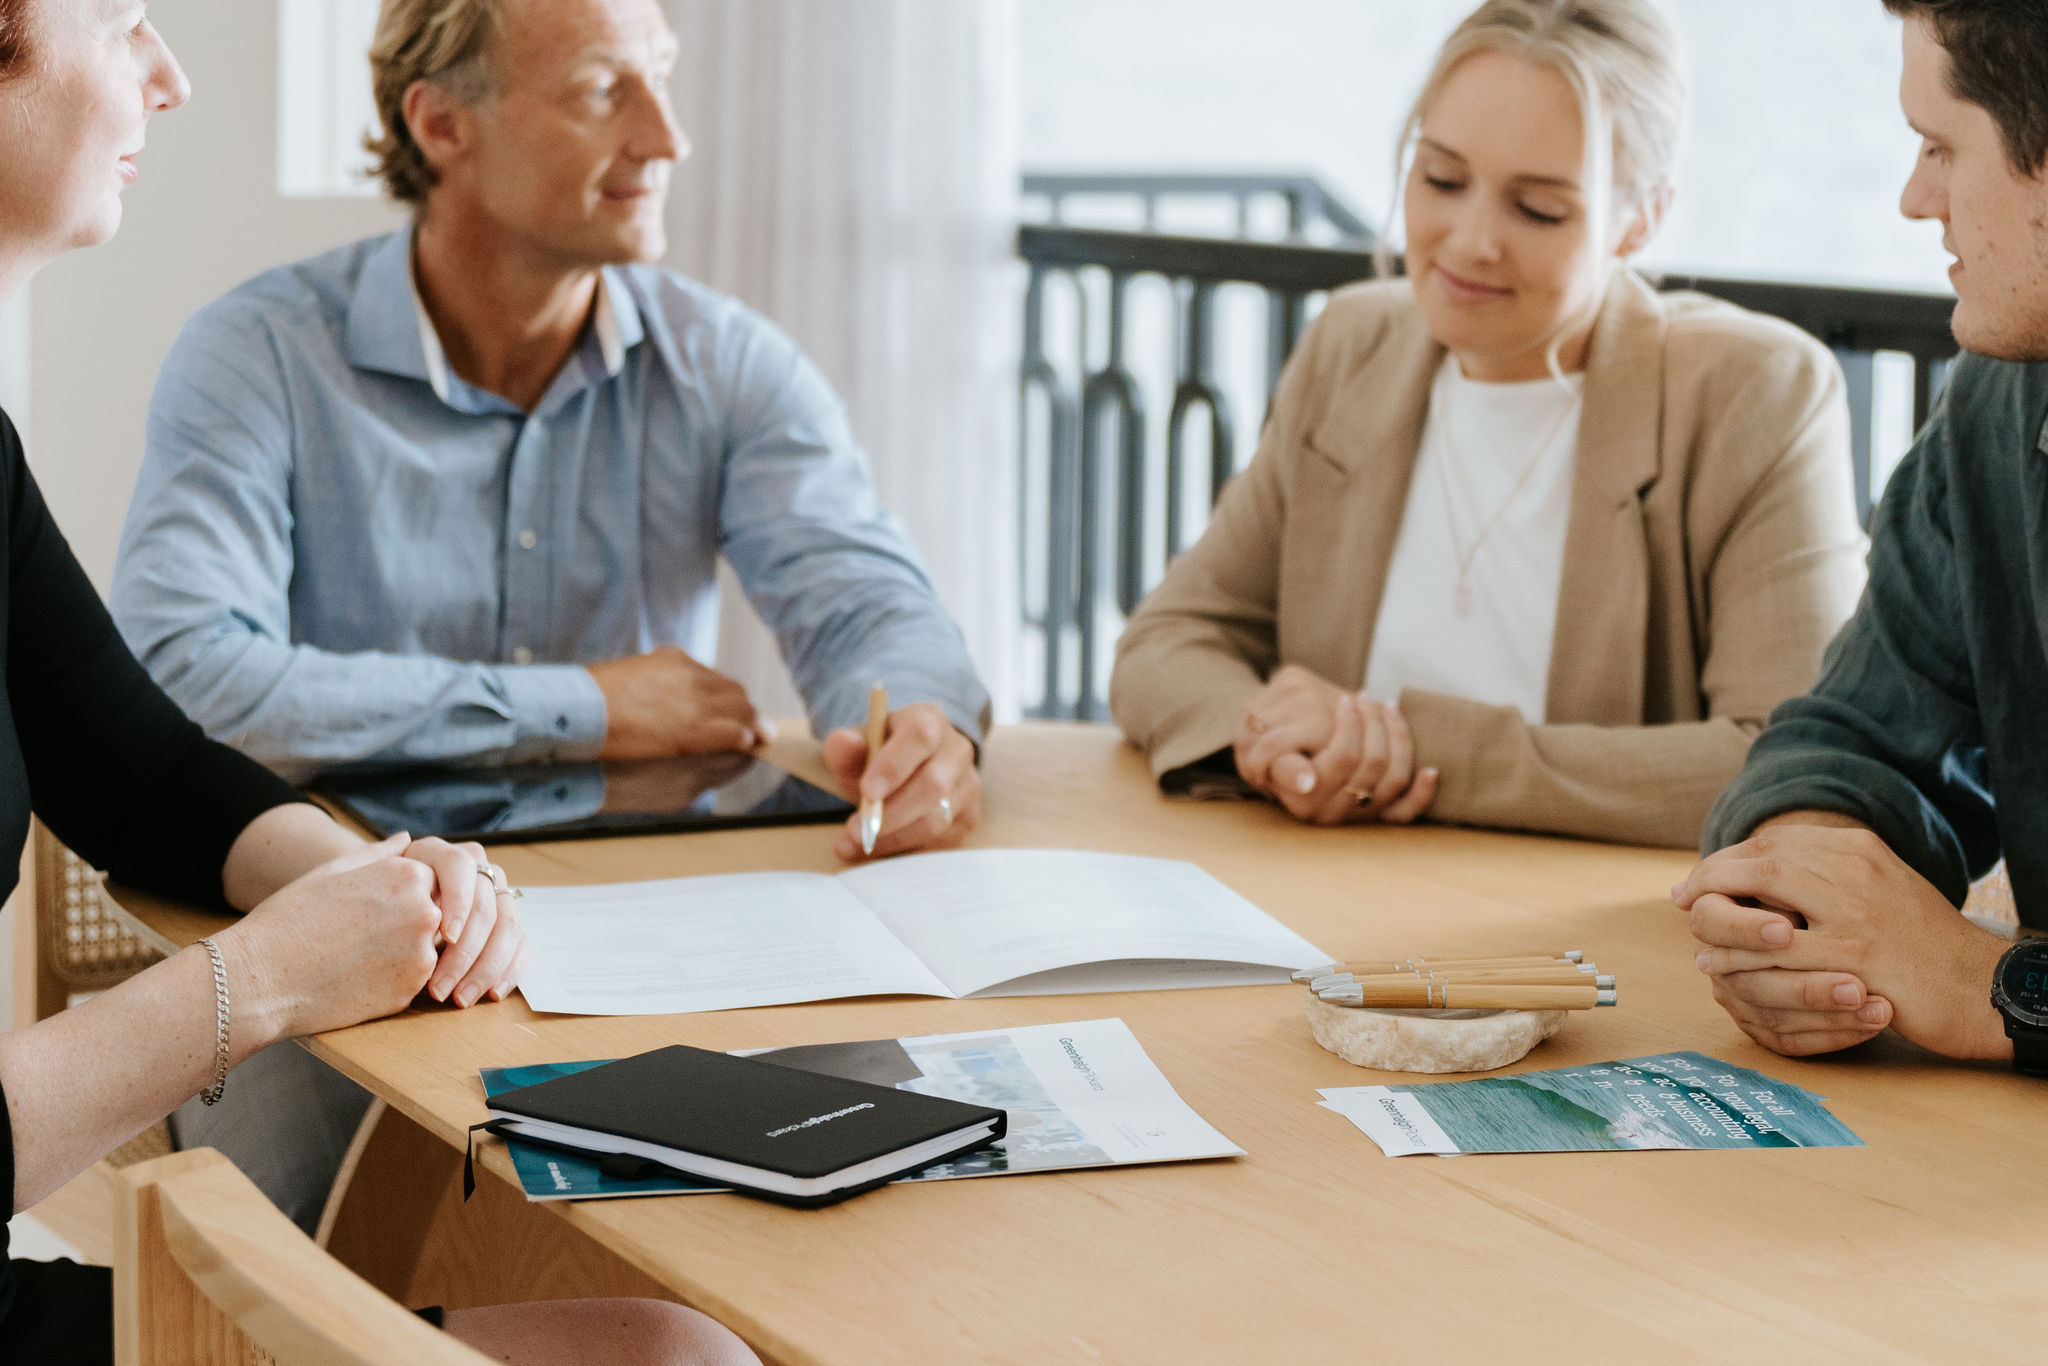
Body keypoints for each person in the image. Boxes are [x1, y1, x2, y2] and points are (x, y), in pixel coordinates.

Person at [0, 5, 753, 1362]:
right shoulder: (262, 345)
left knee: (675, 1338)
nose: (169, 77)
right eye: (120, 26)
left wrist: (387, 878)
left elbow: (146, 767)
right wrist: (266, 979)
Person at [108, 0, 988, 870]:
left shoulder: (724, 361)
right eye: (605, 91)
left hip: (642, 927)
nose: (668, 139)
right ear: (443, 124)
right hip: (350, 923)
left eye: (665, 78)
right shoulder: (258, 357)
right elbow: (183, 680)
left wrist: (921, 719)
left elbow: (866, 602)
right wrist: (586, 707)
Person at [1108, 0, 1867, 849]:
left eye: (1537, 209)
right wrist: (1283, 743)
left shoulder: (1755, 394)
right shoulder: (1352, 345)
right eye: (1441, 179)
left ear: (1641, 216)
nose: (1470, 242)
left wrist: (1422, 755)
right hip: (1323, 895)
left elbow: (1787, 762)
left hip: (1585, 945)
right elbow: (1169, 638)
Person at [1675, 0, 2048, 1064]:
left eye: (1938, 145)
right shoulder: (1995, 404)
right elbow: (1853, 735)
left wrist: (1984, 985)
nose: (1910, 198)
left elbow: (1972, 983)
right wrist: (1806, 899)